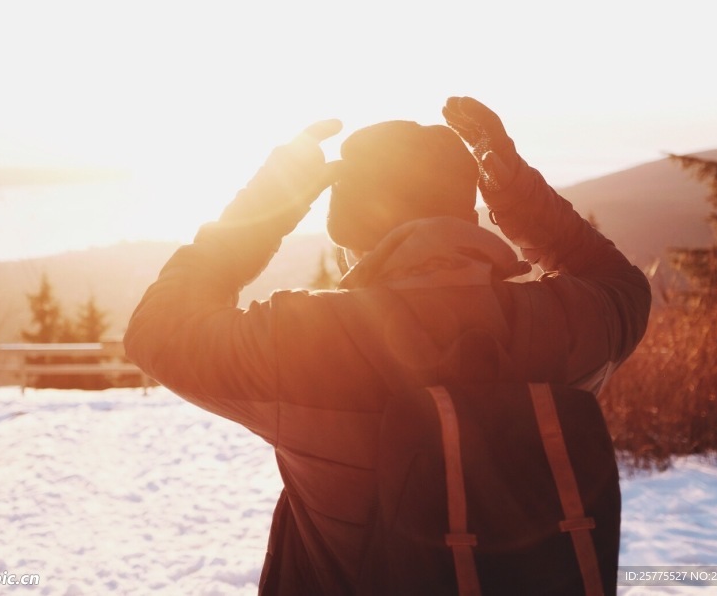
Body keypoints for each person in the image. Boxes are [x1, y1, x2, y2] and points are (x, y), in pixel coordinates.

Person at [124, 96, 651, 595]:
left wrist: (267, 206)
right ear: (462, 216)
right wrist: (517, 195)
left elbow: (158, 329)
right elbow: (623, 286)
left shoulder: (304, 341)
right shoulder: (562, 325)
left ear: (352, 239)